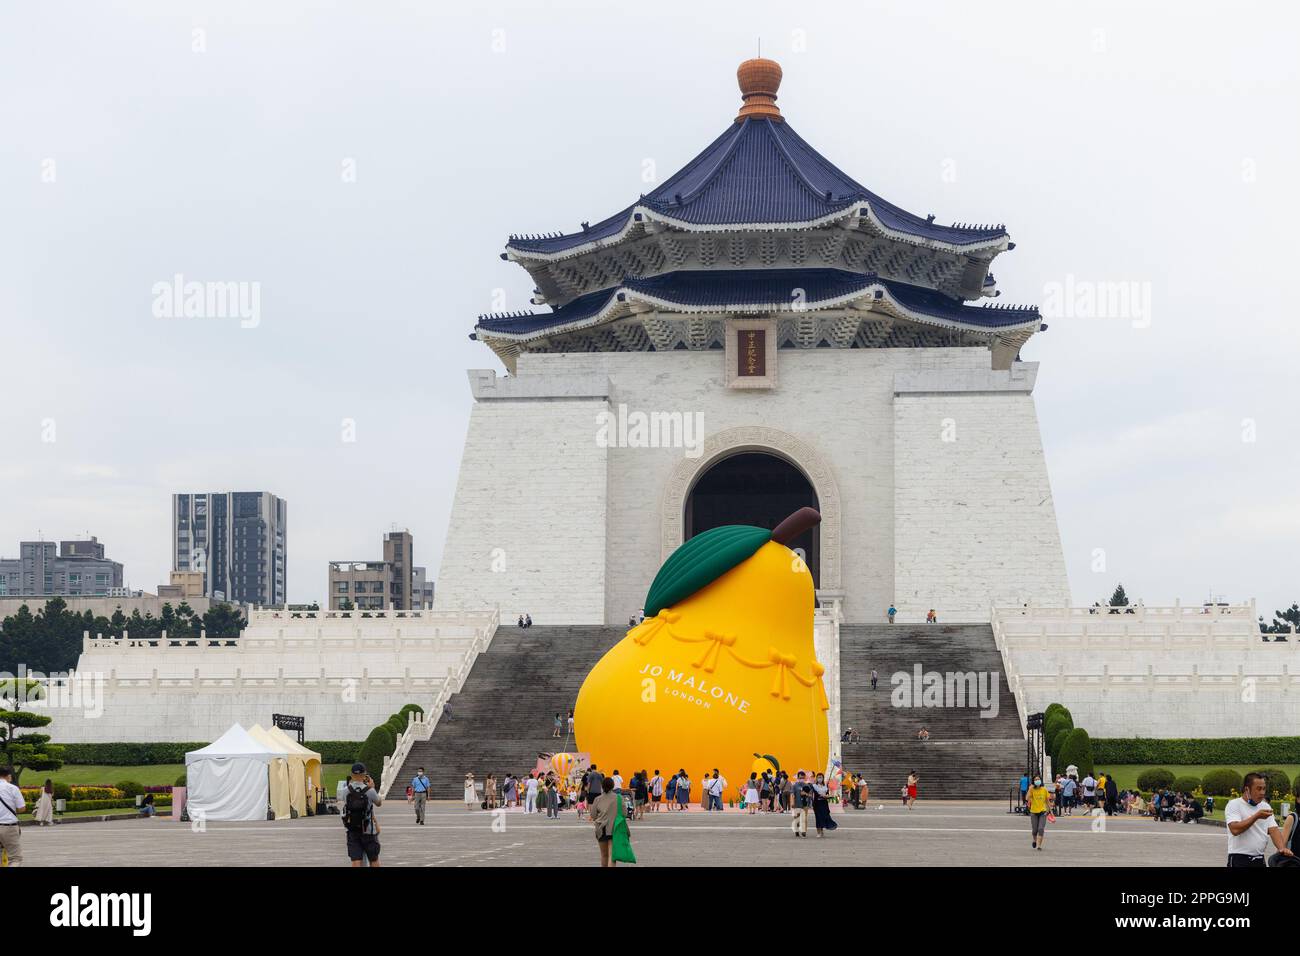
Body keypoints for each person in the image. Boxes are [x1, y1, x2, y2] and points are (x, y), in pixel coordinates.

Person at [1226, 772, 1294, 867]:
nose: (1262, 792)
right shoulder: (1234, 804)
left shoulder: (1265, 806)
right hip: (1239, 858)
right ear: (1247, 789)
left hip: (1260, 858)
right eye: (1258, 789)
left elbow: (1273, 830)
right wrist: (1256, 816)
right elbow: (1235, 829)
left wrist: (1282, 848)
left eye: (1264, 789)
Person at [342, 762, 383, 867]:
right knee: (374, 859)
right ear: (365, 775)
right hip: (368, 830)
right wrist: (372, 787)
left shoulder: (346, 791)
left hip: (352, 830)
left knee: (356, 860)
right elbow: (379, 803)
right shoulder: (369, 791)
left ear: (351, 775)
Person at [590, 777, 622, 867]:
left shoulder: (597, 799)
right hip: (615, 828)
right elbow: (624, 813)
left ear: (602, 786)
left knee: (604, 855)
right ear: (613, 786)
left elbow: (593, 815)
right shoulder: (619, 798)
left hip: (601, 829)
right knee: (612, 856)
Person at [0, 766, 25, 866]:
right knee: (15, 858)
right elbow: (22, 808)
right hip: (8, 826)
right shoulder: (12, 788)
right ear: (8, 776)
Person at [1026, 774, 1051, 850]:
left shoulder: (1044, 790)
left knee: (1041, 829)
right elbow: (1027, 798)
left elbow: (1047, 801)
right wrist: (1030, 789)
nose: (1037, 781)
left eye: (1038, 779)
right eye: (1035, 780)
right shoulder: (1032, 789)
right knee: (1034, 830)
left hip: (1043, 811)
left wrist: (1050, 810)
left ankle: (1039, 845)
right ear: (1034, 781)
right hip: (1033, 811)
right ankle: (1034, 840)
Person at [811, 772, 838, 837]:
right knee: (818, 817)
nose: (819, 779)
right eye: (818, 777)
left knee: (823, 817)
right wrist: (822, 796)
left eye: (821, 777)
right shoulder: (814, 786)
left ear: (823, 778)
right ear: (816, 778)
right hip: (817, 804)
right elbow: (816, 795)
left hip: (824, 804)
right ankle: (818, 832)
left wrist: (828, 796)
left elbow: (827, 794)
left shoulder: (825, 786)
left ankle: (822, 830)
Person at [792, 771, 813, 837]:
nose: (802, 779)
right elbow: (792, 794)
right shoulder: (795, 785)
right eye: (800, 777)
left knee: (804, 818)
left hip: (805, 805)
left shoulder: (807, 785)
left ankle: (804, 831)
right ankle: (796, 830)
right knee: (797, 819)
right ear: (797, 777)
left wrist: (806, 794)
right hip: (797, 804)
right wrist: (792, 802)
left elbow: (810, 795)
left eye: (803, 778)